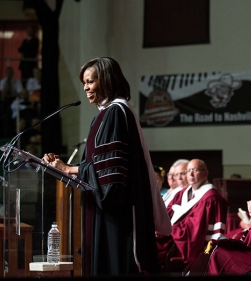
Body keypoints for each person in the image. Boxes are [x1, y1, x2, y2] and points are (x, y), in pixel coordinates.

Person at [42, 57, 171, 276]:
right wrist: (64, 167)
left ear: (107, 80)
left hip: (117, 215)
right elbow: (100, 166)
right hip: (105, 210)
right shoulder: (103, 116)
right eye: (84, 82)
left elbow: (111, 176)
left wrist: (68, 169)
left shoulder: (115, 113)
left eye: (90, 81)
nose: (85, 87)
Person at [157, 158, 229, 268]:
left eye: (195, 170)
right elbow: (168, 211)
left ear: (206, 173)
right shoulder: (182, 194)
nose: (190, 174)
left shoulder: (210, 198)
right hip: (174, 237)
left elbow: (195, 227)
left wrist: (170, 231)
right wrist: (160, 227)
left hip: (186, 243)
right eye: (188, 170)